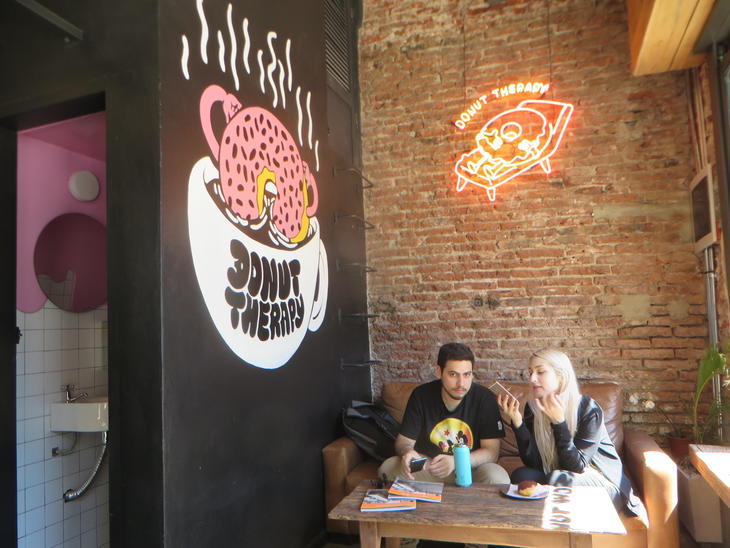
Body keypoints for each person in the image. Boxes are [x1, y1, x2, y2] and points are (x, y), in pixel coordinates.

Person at [496, 347, 642, 516]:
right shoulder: (533, 408)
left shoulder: (588, 409)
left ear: (561, 376)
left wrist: (559, 423)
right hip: (558, 475)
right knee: (522, 475)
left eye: (540, 372)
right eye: (530, 372)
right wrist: (518, 423)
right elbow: (534, 464)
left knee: (558, 479)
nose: (532, 378)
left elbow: (576, 468)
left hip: (601, 483)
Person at [378, 342, 510, 486]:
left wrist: (456, 462)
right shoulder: (421, 396)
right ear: (438, 372)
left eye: (467, 375)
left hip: (471, 469)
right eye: (453, 374)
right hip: (432, 468)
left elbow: (492, 452)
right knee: (388, 468)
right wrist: (408, 452)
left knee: (497, 477)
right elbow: (404, 442)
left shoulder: (484, 398)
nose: (461, 383)